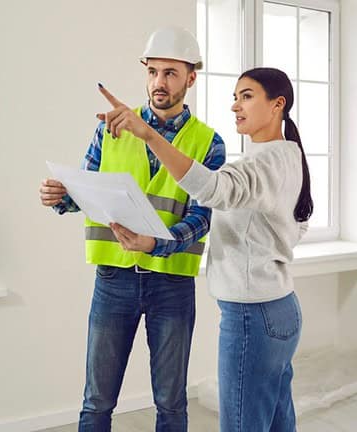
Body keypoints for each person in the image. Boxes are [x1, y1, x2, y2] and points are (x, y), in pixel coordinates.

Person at [97, 67, 311, 432]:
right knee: (277, 424)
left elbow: (212, 189)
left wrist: (148, 134)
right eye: (234, 96)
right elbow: (296, 224)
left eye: (246, 96)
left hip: (252, 316)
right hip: (280, 308)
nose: (235, 106)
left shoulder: (264, 163)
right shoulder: (288, 157)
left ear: (278, 105)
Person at [39, 27, 226, 432]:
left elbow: (202, 218)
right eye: (153, 71)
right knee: (97, 402)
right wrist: (62, 196)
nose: (160, 82)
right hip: (113, 279)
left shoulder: (208, 142)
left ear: (191, 78)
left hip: (171, 284)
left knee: (171, 403)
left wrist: (157, 244)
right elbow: (89, 190)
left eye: (171, 73)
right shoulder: (110, 128)